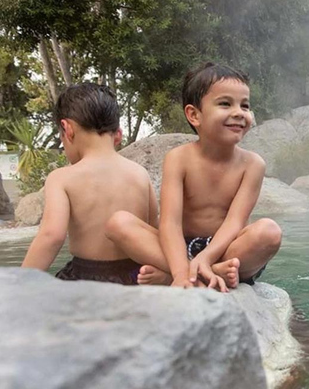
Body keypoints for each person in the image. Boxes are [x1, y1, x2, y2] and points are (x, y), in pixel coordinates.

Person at [106, 62, 282, 291]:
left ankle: (187, 271)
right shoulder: (178, 158)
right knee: (117, 223)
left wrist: (206, 258)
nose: (239, 112)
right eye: (225, 104)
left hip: (228, 250)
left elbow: (235, 222)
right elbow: (170, 223)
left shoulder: (253, 165)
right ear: (194, 115)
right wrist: (181, 271)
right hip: (180, 248)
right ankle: (190, 273)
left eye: (245, 105)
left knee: (269, 232)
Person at [21, 83, 156, 285]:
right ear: (117, 134)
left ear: (67, 129)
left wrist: (16, 285)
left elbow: (51, 236)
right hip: (136, 277)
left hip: (84, 279)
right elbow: (154, 231)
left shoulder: (61, 178)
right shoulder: (140, 174)